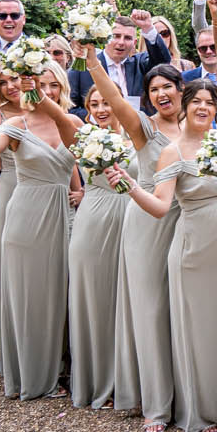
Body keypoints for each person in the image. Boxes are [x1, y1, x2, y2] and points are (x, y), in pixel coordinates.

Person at [124, 78, 217, 432]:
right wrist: (132, 186)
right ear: (184, 107)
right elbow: (161, 206)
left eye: (209, 102)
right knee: (199, 327)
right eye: (195, 101)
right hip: (195, 247)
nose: (202, 107)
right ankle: (204, 408)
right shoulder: (173, 151)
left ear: (216, 109)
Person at [0, 67, 80, 401]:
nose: (43, 90)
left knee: (64, 289)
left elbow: (74, 158)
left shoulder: (73, 123)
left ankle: (64, 365)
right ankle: (35, 372)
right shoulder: (15, 125)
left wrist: (80, 192)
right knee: (33, 291)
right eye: (38, 84)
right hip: (27, 215)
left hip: (65, 214)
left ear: (61, 87)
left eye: (51, 85)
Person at [90, 53, 185, 432]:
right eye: (153, 89)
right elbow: (113, 99)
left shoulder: (201, 127)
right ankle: (156, 405)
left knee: (182, 310)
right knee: (150, 309)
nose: (162, 93)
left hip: (189, 222)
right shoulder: (143, 128)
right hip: (147, 221)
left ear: (182, 90)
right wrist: (92, 62)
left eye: (168, 86)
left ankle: (191, 396)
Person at [66, 77, 131, 409]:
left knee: (127, 302)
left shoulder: (137, 136)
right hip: (93, 221)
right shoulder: (84, 138)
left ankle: (130, 380)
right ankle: (98, 379)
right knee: (96, 299)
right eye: (94, 104)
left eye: (107, 101)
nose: (102, 109)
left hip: (133, 221)